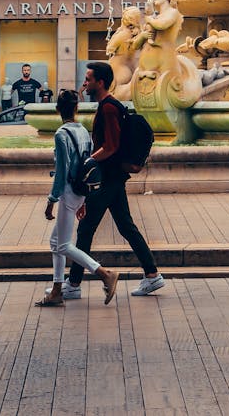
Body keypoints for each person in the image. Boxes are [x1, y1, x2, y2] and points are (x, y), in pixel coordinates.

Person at [64, 61, 164, 299]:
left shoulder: (109, 108)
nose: (84, 83)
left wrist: (88, 161)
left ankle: (74, 284)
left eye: (88, 79)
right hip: (113, 177)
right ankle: (152, 275)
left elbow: (111, 146)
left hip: (108, 178)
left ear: (100, 82)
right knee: (126, 227)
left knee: (86, 228)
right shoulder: (107, 106)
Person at [37, 89, 118, 308]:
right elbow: (88, 164)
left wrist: (51, 201)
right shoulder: (83, 130)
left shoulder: (61, 134)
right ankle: (56, 290)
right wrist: (83, 201)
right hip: (80, 191)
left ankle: (104, 273)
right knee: (56, 242)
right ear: (77, 108)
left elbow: (62, 171)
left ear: (57, 110)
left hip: (68, 192)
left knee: (62, 245)